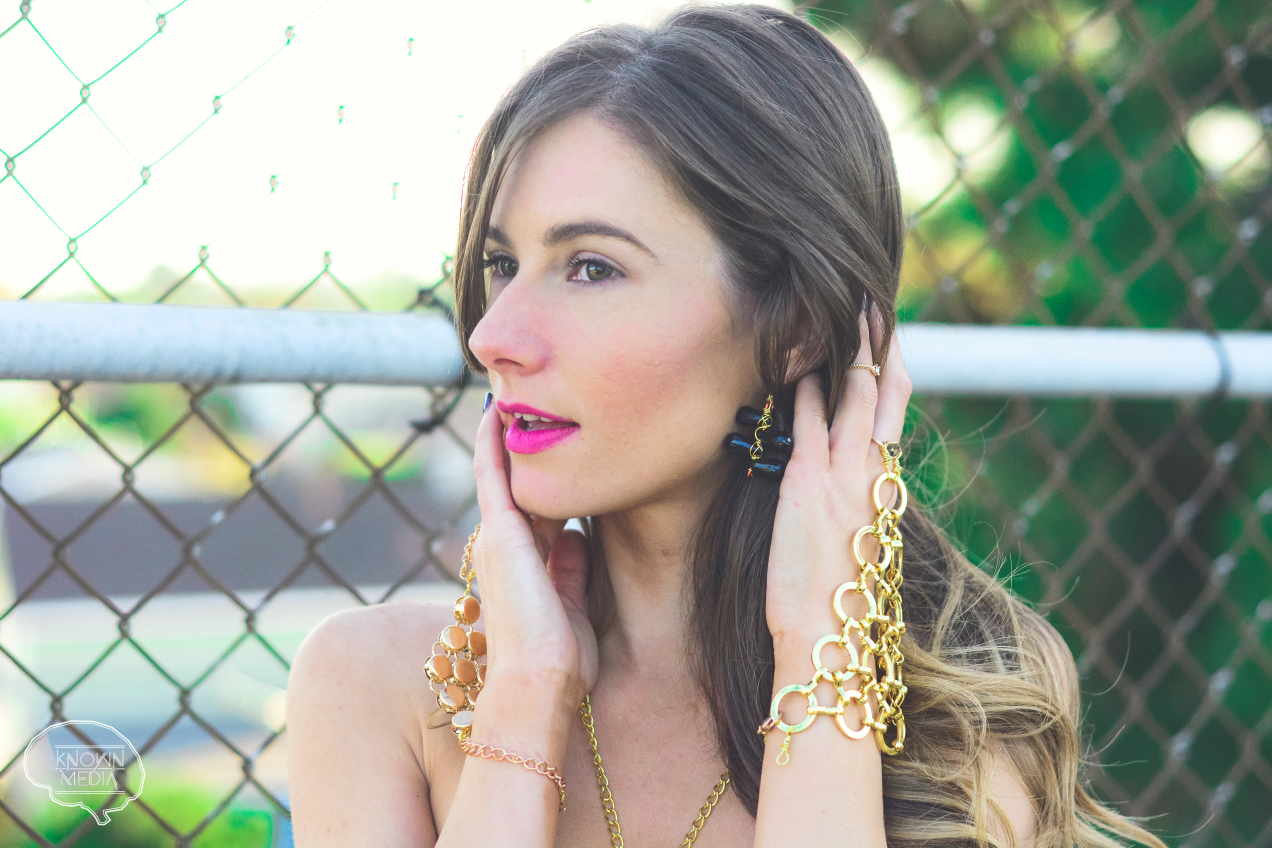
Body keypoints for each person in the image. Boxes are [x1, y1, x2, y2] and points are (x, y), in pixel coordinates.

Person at [286, 5, 1167, 846]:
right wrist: (524, 694)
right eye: (502, 264)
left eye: (591, 268)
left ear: (794, 328)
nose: (492, 337)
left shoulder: (960, 709)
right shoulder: (381, 690)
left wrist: (822, 648)